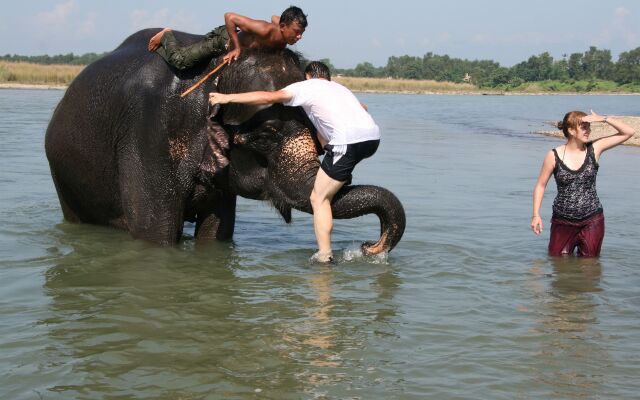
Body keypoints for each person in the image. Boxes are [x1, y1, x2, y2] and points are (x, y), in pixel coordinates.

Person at [208, 61, 381, 263]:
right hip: (372, 138)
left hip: (347, 142)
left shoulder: (306, 86)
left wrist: (226, 98)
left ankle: (324, 255)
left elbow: (268, 97)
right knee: (323, 136)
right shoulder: (339, 88)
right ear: (327, 77)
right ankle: (342, 175)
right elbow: (363, 107)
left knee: (318, 198)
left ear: (307, 76)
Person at [531, 110, 635, 257]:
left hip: (592, 220)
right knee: (558, 264)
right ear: (571, 130)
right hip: (562, 221)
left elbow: (628, 132)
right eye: (584, 127)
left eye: (589, 126)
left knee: (589, 269)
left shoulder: (595, 149)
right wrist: (536, 215)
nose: (589, 130)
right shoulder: (553, 155)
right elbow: (540, 185)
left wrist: (604, 119)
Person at [148, 6, 307, 70]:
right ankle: (166, 35)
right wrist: (236, 48)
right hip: (223, 41)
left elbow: (274, 17)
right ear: (283, 26)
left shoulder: (283, 36)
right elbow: (230, 16)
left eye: (301, 33)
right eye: (296, 32)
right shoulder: (265, 30)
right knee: (180, 61)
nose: (299, 37)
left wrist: (281, 23)